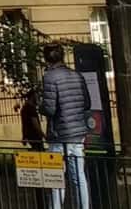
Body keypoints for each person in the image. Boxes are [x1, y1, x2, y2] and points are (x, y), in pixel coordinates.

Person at [37, 45, 92, 209]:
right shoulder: (76, 75)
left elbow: (50, 109)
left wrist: (40, 106)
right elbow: (87, 103)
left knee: (55, 178)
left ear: (47, 59)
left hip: (59, 134)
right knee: (79, 177)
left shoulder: (50, 77)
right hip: (77, 133)